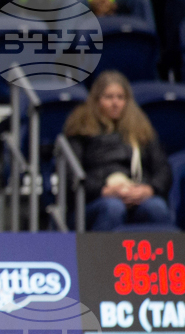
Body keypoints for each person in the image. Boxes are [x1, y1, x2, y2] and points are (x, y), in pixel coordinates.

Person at [64, 70, 174, 232]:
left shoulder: (141, 130)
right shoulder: (80, 130)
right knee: (113, 208)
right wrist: (104, 190)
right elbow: (71, 176)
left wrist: (150, 189)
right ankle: (99, 257)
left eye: (120, 97)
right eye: (108, 97)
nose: (115, 103)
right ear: (96, 100)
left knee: (156, 207)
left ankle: (161, 257)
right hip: (95, 201)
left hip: (136, 195)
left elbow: (163, 169)